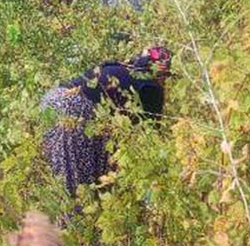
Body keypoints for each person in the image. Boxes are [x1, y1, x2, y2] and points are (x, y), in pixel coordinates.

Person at [41, 46, 172, 196]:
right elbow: (150, 138)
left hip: (52, 100)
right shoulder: (151, 86)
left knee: (64, 171)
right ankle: (81, 214)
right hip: (75, 108)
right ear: (161, 72)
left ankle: (64, 212)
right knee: (81, 183)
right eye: (166, 76)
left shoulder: (118, 67)